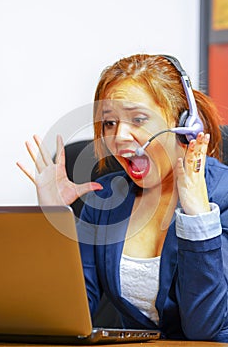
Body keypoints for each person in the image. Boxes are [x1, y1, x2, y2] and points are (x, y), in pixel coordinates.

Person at [17, 54, 228, 342]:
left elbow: (204, 328)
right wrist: (56, 219)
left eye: (138, 119)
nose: (119, 137)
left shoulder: (222, 195)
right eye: (109, 123)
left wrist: (197, 215)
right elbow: (73, 315)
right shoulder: (105, 201)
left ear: (183, 121)